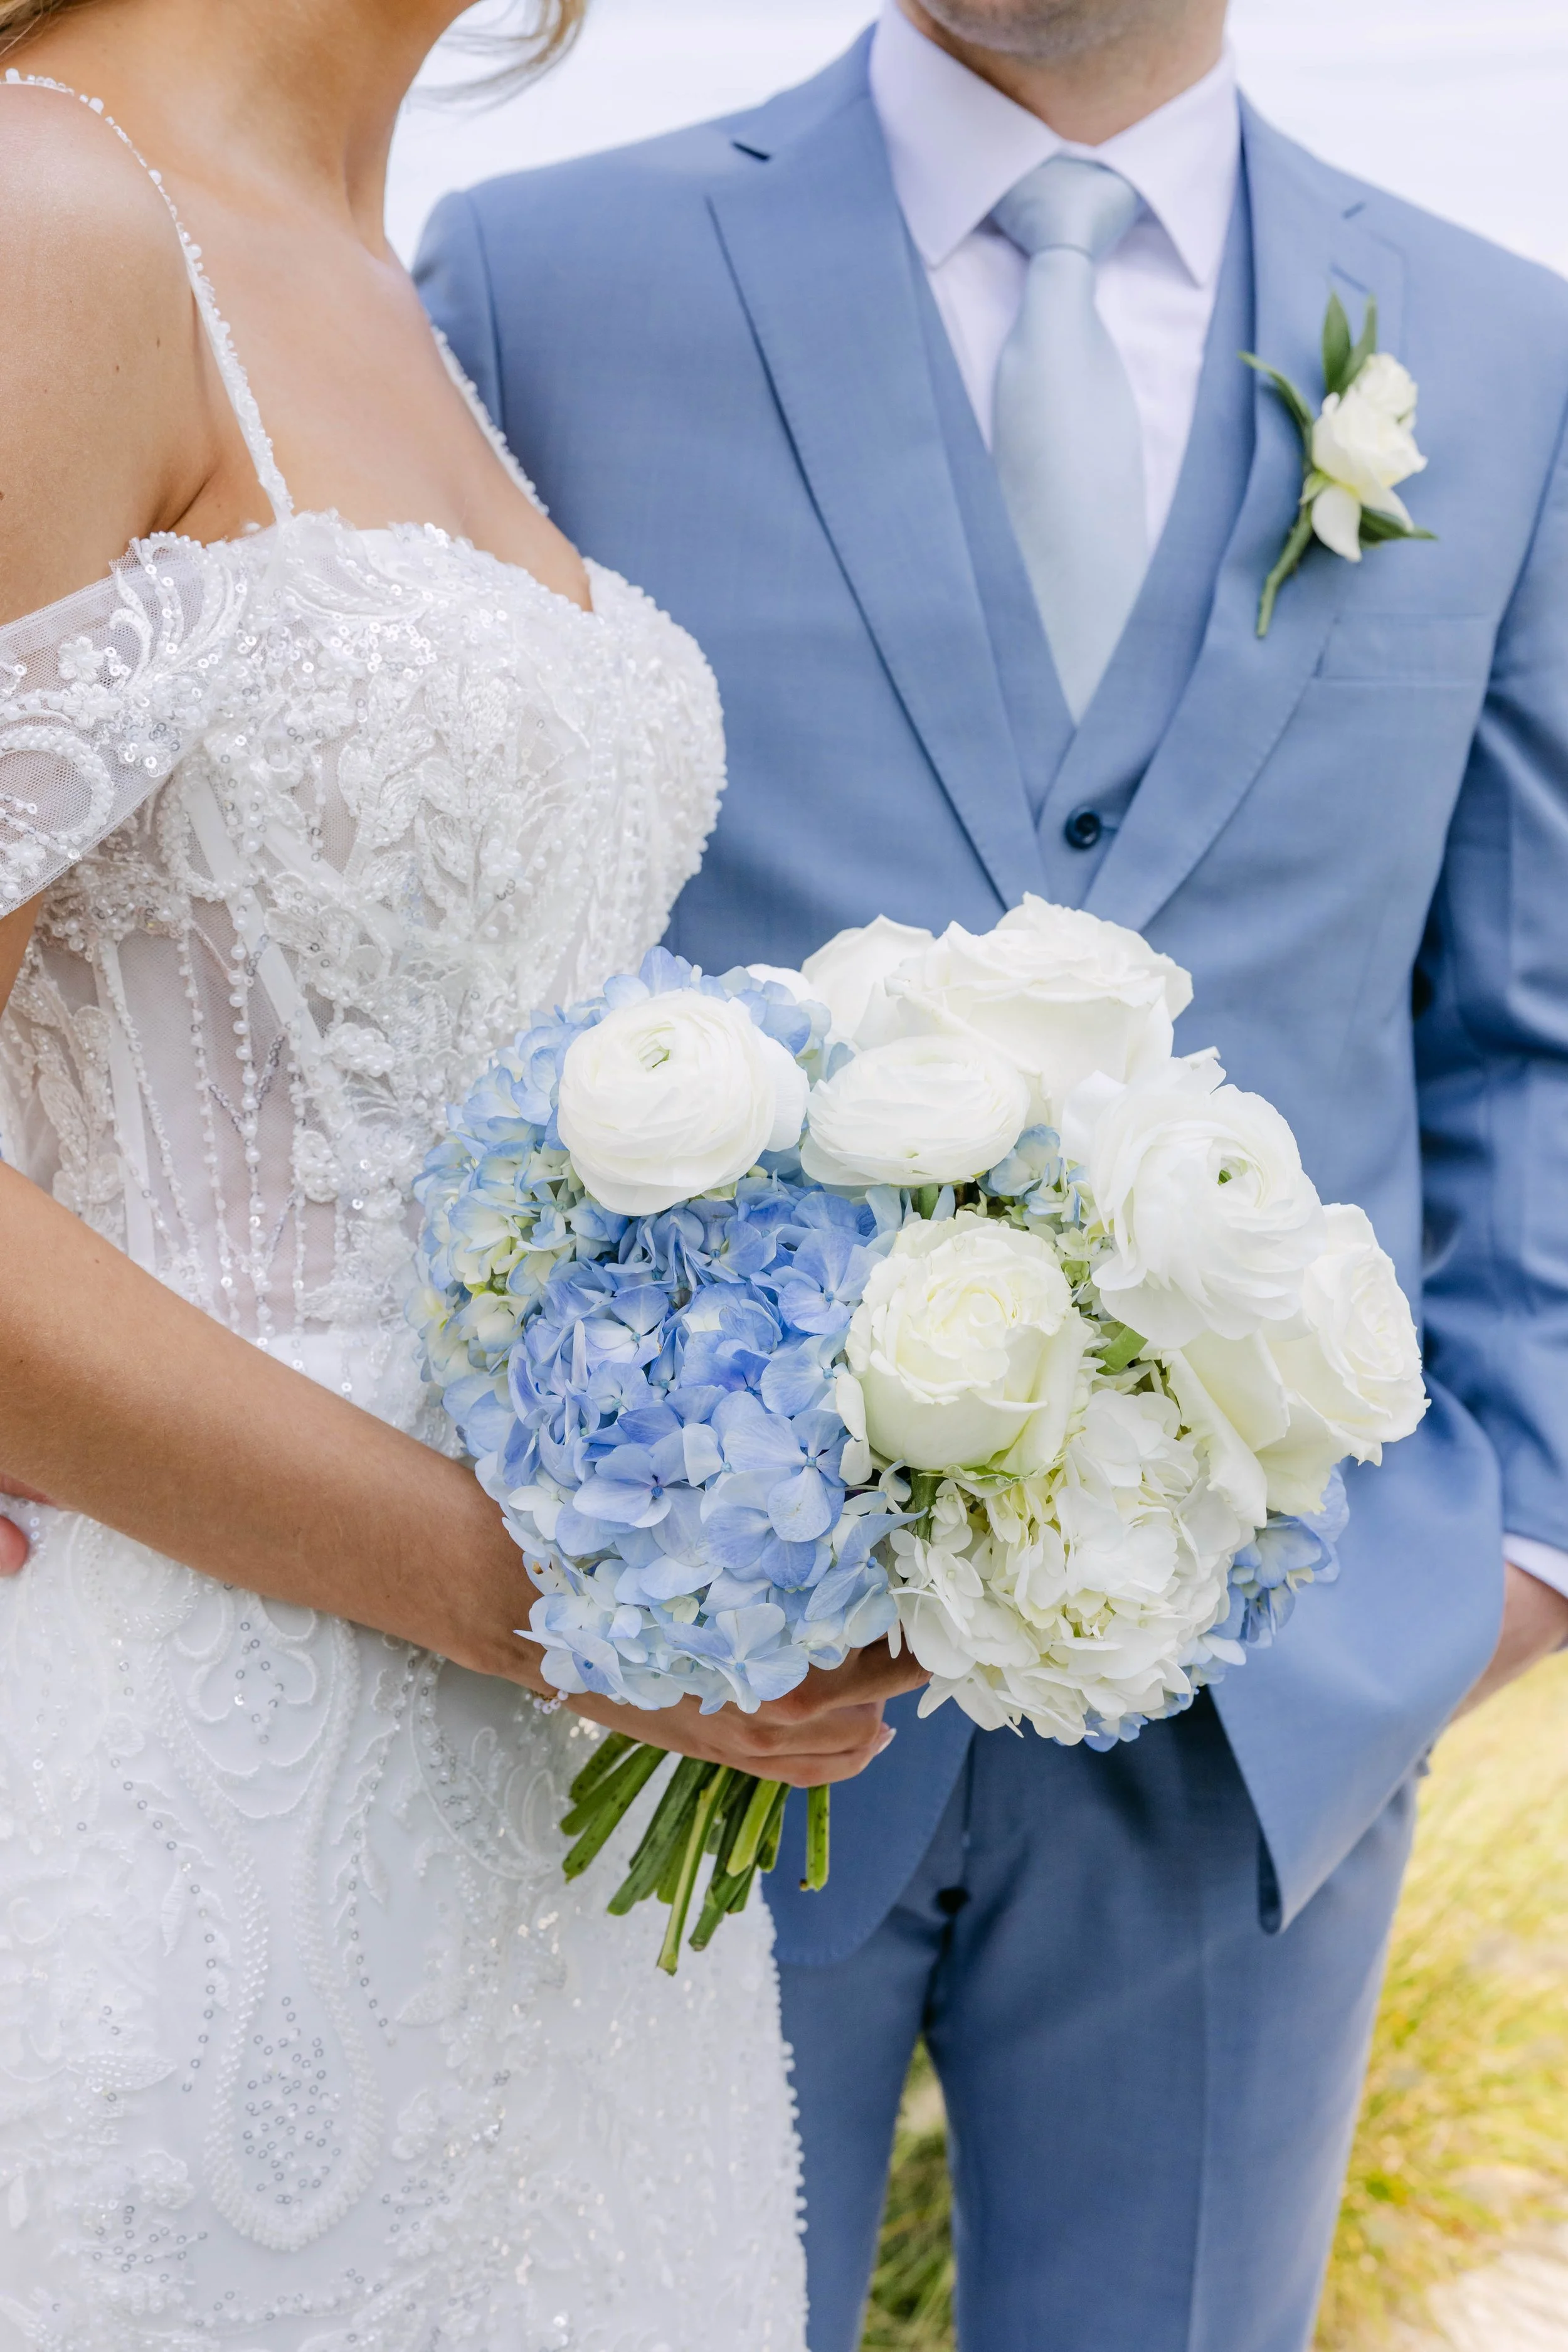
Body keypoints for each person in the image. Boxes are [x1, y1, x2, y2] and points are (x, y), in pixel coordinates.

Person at [416, 1, 1568, 2344]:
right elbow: (415, 950)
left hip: (1275, 1704)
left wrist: (1515, 1543)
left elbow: (1527, 1012)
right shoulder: (543, 280)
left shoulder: (1500, 345)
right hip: (683, 1701)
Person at [0, 0, 923, 2339]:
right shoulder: (48, 211)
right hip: (184, 1790)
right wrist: (541, 1599)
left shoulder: (373, 259)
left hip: (557, 1880)